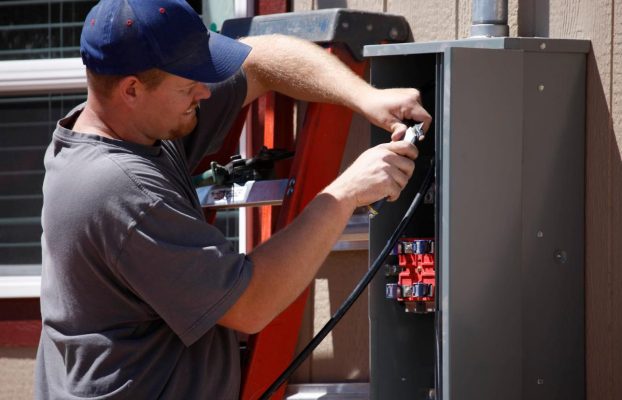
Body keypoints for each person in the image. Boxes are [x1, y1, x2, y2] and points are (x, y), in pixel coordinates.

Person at [35, 0, 431, 398]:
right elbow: (251, 304)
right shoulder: (120, 190)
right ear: (132, 90)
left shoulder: (128, 127)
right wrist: (344, 194)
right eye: (189, 85)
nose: (206, 92)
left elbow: (262, 59)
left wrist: (364, 98)